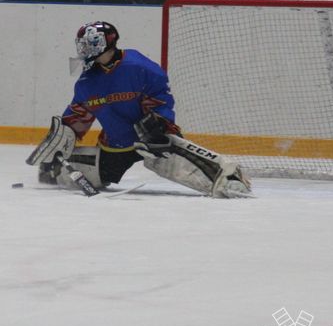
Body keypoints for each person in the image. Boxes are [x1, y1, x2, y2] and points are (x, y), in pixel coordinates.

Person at [26, 21, 251, 198]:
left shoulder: (140, 67)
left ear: (102, 44)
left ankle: (228, 177)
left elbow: (161, 99)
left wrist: (160, 124)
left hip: (151, 140)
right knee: (55, 170)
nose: (83, 51)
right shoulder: (87, 82)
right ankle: (53, 171)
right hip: (116, 144)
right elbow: (78, 116)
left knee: (171, 155)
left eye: (87, 46)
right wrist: (62, 138)